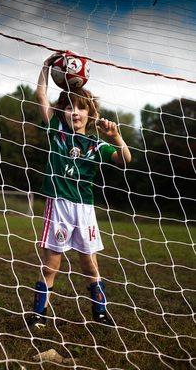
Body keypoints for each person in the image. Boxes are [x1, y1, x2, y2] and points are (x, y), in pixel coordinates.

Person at [24, 53, 131, 330]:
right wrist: (46, 66)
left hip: (84, 208)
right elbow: (40, 95)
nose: (75, 112)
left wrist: (116, 136)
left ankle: (100, 311)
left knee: (89, 265)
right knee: (51, 265)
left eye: (81, 108)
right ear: (63, 112)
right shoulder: (55, 130)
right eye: (70, 107)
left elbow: (125, 159)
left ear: (89, 113)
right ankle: (38, 314)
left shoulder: (96, 145)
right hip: (58, 204)